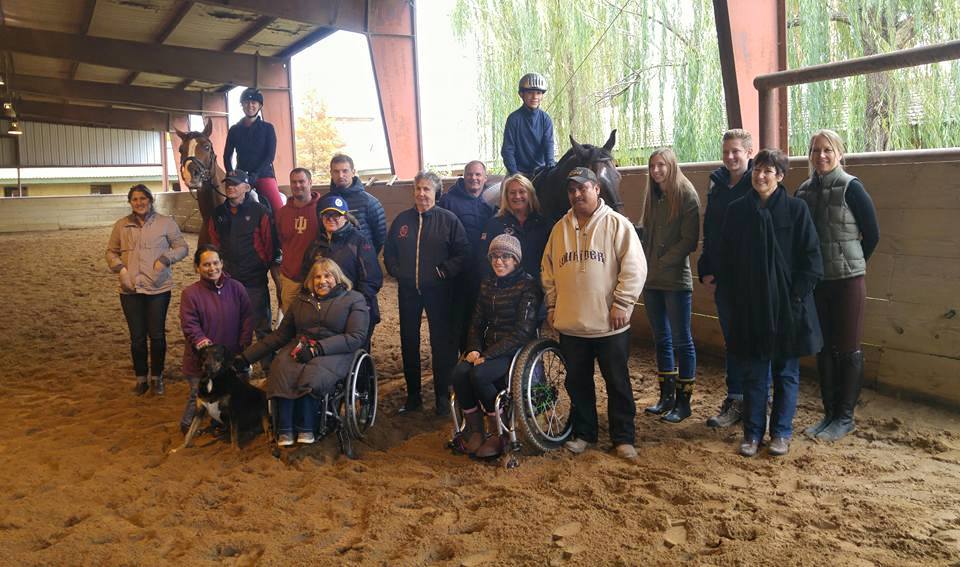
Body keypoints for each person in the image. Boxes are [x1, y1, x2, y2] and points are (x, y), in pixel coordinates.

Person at [718, 149, 823, 457]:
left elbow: (812, 259)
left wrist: (795, 297)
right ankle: (752, 434)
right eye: (757, 170)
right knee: (754, 373)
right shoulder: (737, 211)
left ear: (780, 176)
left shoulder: (796, 210)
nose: (760, 176)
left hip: (788, 307)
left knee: (786, 373)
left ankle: (781, 433)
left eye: (768, 171)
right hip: (751, 308)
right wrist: (738, 298)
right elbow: (727, 260)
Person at [541, 167, 646, 460]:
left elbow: (635, 267)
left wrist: (623, 303)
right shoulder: (559, 229)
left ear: (597, 189)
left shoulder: (617, 224)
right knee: (577, 383)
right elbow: (548, 271)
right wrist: (552, 305)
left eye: (582, 188)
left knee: (617, 382)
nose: (577, 194)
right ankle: (584, 433)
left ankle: (623, 437)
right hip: (572, 324)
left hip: (609, 323)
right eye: (572, 190)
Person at [795, 129, 880, 442]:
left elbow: (872, 234)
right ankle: (829, 413)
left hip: (847, 281)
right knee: (825, 348)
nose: (821, 155)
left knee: (847, 349)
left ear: (839, 153)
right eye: (816, 150)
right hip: (819, 283)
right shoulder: (804, 191)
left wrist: (852, 263)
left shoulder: (851, 187)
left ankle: (845, 417)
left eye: (827, 149)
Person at [237, 258, 369, 446]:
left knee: (313, 375)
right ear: (310, 281)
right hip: (301, 346)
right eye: (317, 277)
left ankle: (306, 427)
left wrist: (318, 349)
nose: (322, 281)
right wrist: (246, 357)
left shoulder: (354, 299)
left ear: (337, 278)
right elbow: (280, 336)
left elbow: (356, 336)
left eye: (327, 276)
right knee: (281, 370)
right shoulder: (301, 301)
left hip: (335, 350)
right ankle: (285, 429)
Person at [384, 171, 470, 416]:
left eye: (427, 189)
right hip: (408, 291)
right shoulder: (402, 220)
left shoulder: (448, 220)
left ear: (436, 192)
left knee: (441, 343)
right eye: (418, 188)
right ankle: (413, 395)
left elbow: (463, 253)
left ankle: (442, 395)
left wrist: (444, 271)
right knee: (409, 341)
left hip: (439, 292)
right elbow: (389, 251)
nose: (421, 193)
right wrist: (398, 271)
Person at [451, 234, 540, 459]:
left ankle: (498, 431)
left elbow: (522, 332)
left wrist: (488, 355)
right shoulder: (487, 283)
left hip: (514, 350)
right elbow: (476, 322)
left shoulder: (528, 285)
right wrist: (474, 348)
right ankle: (475, 430)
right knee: (459, 373)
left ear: (515, 260)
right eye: (494, 257)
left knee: (479, 375)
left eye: (505, 256)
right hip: (489, 347)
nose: (499, 261)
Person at [106, 184, 189, 396]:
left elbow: (182, 247)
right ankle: (141, 378)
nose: (139, 202)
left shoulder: (165, 223)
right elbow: (111, 252)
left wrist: (165, 259)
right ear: (130, 202)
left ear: (150, 200)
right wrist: (120, 269)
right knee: (137, 337)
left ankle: (157, 377)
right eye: (135, 199)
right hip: (130, 289)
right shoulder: (121, 225)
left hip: (158, 288)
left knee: (157, 335)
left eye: (143, 198)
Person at [699, 129, 757, 429]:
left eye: (736, 151)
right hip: (724, 277)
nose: (730, 157)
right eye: (726, 152)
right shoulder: (718, 184)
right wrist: (707, 265)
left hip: (752, 277)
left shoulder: (758, 182)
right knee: (732, 340)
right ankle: (735, 399)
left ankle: (758, 401)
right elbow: (710, 228)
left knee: (754, 340)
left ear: (749, 152)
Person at [640, 148, 701, 423]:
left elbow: (689, 240)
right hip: (651, 280)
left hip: (675, 280)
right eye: (653, 166)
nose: (656, 171)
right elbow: (647, 232)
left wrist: (662, 261)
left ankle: (683, 401)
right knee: (661, 339)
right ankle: (666, 396)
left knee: (681, 340)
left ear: (671, 166)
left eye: (661, 165)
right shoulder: (652, 196)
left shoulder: (686, 195)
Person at [207, 170, 280, 376]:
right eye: (228, 184)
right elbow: (214, 242)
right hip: (228, 280)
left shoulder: (260, 211)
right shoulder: (218, 214)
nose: (231, 187)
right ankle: (239, 368)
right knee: (232, 327)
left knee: (261, 326)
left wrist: (260, 265)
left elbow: (269, 244)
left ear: (246, 187)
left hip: (253, 279)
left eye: (236, 184)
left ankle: (269, 369)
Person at [178, 244, 253, 433]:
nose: (212, 268)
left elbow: (247, 317)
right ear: (197, 267)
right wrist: (202, 343)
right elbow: (189, 324)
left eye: (215, 263)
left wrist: (244, 343)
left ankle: (221, 424)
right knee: (197, 394)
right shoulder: (190, 294)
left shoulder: (237, 288)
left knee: (230, 394)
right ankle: (187, 424)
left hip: (229, 357)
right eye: (206, 264)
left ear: (222, 263)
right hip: (202, 360)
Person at [301, 194, 383, 351]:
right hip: (327, 312)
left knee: (355, 350)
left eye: (336, 215)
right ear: (321, 218)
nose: (331, 219)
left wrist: (355, 307)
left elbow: (371, 280)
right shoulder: (315, 245)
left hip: (355, 308)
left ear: (345, 217)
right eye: (327, 215)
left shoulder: (359, 242)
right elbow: (306, 277)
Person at [438, 160, 495, 352]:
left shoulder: (491, 202)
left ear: (485, 178)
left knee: (479, 317)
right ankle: (458, 357)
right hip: (458, 273)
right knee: (457, 319)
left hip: (483, 272)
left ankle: (476, 354)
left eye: (478, 174)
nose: (474, 178)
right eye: (470, 174)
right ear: (463, 177)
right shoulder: (448, 201)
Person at [478, 173, 551, 283]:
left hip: (538, 287)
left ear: (530, 194)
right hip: (505, 289)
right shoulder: (494, 224)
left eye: (522, 192)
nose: (517, 196)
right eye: (512, 193)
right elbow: (484, 259)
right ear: (506, 196)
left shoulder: (544, 224)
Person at [224, 87, 284, 215]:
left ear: (259, 105)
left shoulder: (268, 128)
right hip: (241, 176)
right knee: (226, 207)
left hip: (263, 175)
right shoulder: (234, 130)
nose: (250, 105)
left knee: (278, 209)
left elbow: (270, 156)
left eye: (253, 103)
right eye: (246, 102)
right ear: (242, 105)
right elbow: (227, 155)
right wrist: (230, 172)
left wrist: (256, 174)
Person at [275, 168, 321, 313]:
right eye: (294, 182)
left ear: (310, 183)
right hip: (290, 276)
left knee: (315, 316)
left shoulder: (321, 208)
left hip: (316, 275)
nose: (297, 185)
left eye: (301, 181)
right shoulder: (282, 213)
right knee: (290, 316)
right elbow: (280, 240)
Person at [326, 154, 387, 254]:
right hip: (333, 260)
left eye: (345, 171)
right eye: (336, 171)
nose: (340, 175)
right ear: (331, 173)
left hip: (363, 258)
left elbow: (380, 238)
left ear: (353, 172)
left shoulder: (370, 202)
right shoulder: (324, 203)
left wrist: (367, 256)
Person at [501, 73, 556, 178]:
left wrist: (550, 164)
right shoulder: (513, 119)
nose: (535, 97)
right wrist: (514, 172)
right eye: (530, 92)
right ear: (521, 94)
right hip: (518, 172)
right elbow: (508, 150)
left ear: (542, 95)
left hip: (540, 171)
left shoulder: (545, 119)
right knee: (507, 187)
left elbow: (548, 144)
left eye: (538, 93)